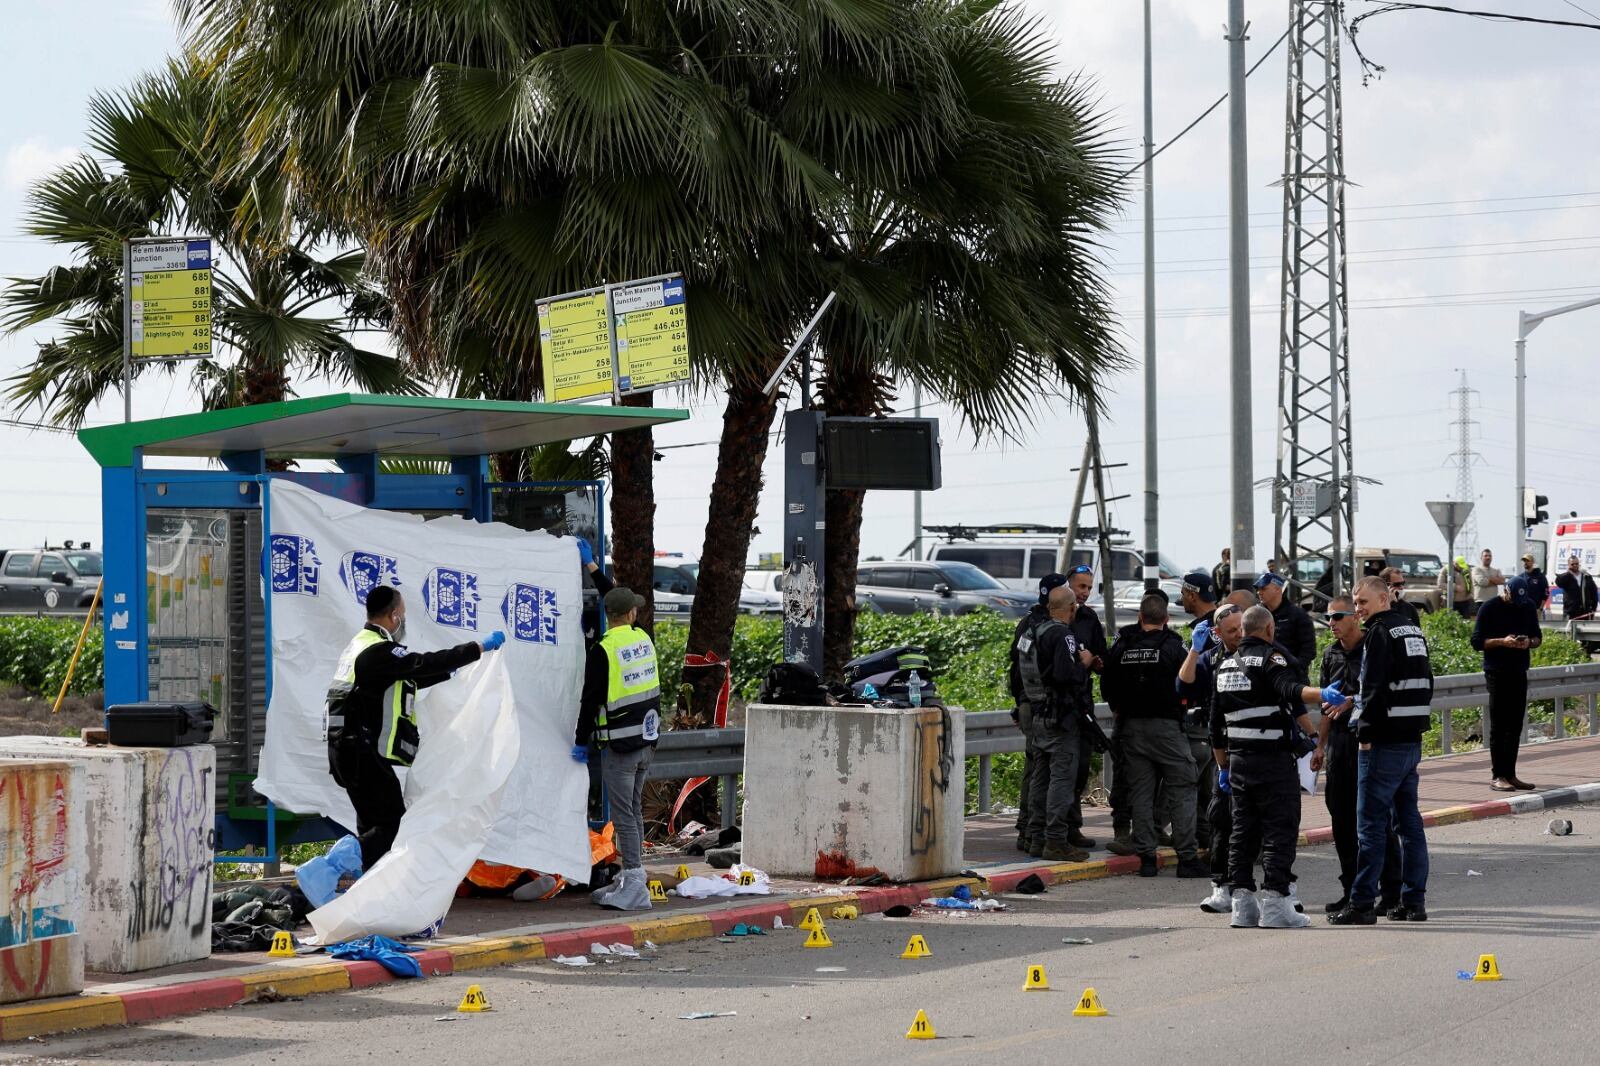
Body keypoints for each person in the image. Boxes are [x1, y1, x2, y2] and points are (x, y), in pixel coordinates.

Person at [324, 585, 502, 869]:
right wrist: (477, 649)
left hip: (346, 751)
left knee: (373, 825)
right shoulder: (377, 651)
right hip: (361, 752)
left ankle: (364, 891)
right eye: (402, 615)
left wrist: (450, 671)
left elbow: (409, 675)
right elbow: (420, 663)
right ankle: (332, 866)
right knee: (392, 826)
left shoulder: (359, 645)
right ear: (394, 616)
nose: (403, 622)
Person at [1210, 606, 1329, 929]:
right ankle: (1276, 903)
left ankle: (1242, 906)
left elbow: (1214, 726)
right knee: (1279, 830)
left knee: (1242, 833)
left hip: (1237, 764)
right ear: (1269, 629)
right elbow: (1290, 691)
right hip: (1273, 762)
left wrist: (1223, 767)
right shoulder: (1270, 659)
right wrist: (1322, 694)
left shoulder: (1224, 666)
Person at [1328, 576, 1433, 925]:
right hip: (1411, 739)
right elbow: (1425, 683)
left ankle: (1360, 904)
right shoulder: (1413, 631)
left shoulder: (1379, 633)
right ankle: (1413, 902)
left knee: (1370, 825)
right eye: (1356, 604)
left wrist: (1365, 735)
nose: (1359, 610)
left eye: (1363, 602)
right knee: (1409, 825)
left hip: (1384, 741)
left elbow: (1372, 688)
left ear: (1384, 598)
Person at [1102, 594, 1207, 878]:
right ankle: (1186, 858)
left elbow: (1107, 684)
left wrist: (1119, 707)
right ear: (1166, 619)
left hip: (1130, 729)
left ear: (1140, 617)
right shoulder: (1174, 647)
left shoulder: (1122, 645)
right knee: (1183, 788)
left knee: (1141, 793)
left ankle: (1147, 858)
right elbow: (1191, 682)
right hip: (1167, 728)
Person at [1312, 596, 1401, 914]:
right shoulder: (1330, 654)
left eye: (1337, 616)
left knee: (1378, 821)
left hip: (1369, 745)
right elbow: (1325, 705)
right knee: (1342, 819)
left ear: (1354, 617)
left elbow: (1386, 692)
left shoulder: (1373, 646)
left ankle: (1392, 892)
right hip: (1339, 747)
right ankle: (1351, 890)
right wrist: (1320, 746)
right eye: (1328, 618)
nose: (1332, 622)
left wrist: (1353, 700)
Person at [577, 587, 663, 910]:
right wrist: (593, 568)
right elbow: (613, 594)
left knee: (624, 815)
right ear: (629, 615)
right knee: (634, 810)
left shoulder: (603, 650)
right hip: (647, 740)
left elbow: (590, 701)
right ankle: (632, 877)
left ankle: (634, 882)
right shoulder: (642, 638)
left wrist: (579, 741)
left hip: (620, 747)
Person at [1178, 602, 1244, 912]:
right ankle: (1222, 887)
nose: (1239, 635)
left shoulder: (1262, 652)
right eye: (1231, 631)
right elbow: (1183, 685)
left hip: (1259, 749)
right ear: (1217, 633)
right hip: (1224, 748)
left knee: (1267, 821)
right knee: (1221, 819)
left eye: (1242, 627)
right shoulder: (1212, 657)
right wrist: (1194, 649)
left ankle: (1278, 890)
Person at [1019, 584, 1093, 862]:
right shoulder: (1062, 634)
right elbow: (1065, 675)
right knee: (1062, 780)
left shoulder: (1032, 630)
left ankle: (1035, 837)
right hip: (1060, 718)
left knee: (1040, 778)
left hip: (1038, 713)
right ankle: (1056, 841)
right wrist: (1084, 663)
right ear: (1071, 607)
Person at [1009, 573, 1070, 854]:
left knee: (1037, 770)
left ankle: (1031, 833)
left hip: (1030, 704)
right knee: (1044, 771)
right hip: (1045, 707)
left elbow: (1016, 665)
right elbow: (1062, 675)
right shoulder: (1050, 629)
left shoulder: (1028, 626)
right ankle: (1040, 833)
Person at [1470, 576, 1542, 792]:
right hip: (1497, 672)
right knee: (1499, 726)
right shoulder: (1490, 608)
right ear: (1506, 591)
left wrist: (1528, 642)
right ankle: (1497, 775)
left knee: (1515, 725)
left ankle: (1511, 774)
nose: (1517, 604)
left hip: (1519, 671)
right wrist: (1503, 641)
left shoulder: (1527, 606)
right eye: (1513, 599)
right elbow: (1476, 642)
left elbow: (1538, 637)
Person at [1177, 571, 1222, 850]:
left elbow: (1188, 683)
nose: (1182, 599)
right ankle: (1211, 841)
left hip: (1209, 722)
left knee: (1196, 787)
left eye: (1183, 594)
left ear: (1192, 595)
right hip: (1216, 721)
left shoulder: (1205, 632)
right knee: (1210, 791)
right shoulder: (1219, 625)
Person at [1065, 565, 1106, 852]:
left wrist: (1094, 660)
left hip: (1082, 703)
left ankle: (1072, 827)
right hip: (1056, 706)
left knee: (1079, 768)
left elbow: (1103, 659)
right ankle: (1039, 829)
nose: (1085, 593)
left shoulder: (1090, 619)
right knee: (1054, 772)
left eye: (1089, 587)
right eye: (1081, 586)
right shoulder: (1047, 618)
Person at [1253, 572, 1315, 679]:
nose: (1259, 592)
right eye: (1258, 589)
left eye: (1263, 588)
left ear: (1278, 589)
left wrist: (1297, 668)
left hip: (1291, 678)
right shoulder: (1256, 615)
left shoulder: (1297, 615)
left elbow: (1309, 649)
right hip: (1264, 677)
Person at [1554, 554, 1598, 622]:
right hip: (1571, 612)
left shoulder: (1586, 577)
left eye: (1576, 563)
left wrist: (1593, 609)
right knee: (1570, 632)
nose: (1575, 565)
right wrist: (1568, 573)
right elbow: (1558, 582)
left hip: (1585, 612)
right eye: (1572, 564)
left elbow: (1594, 593)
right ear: (1568, 565)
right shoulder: (1566, 577)